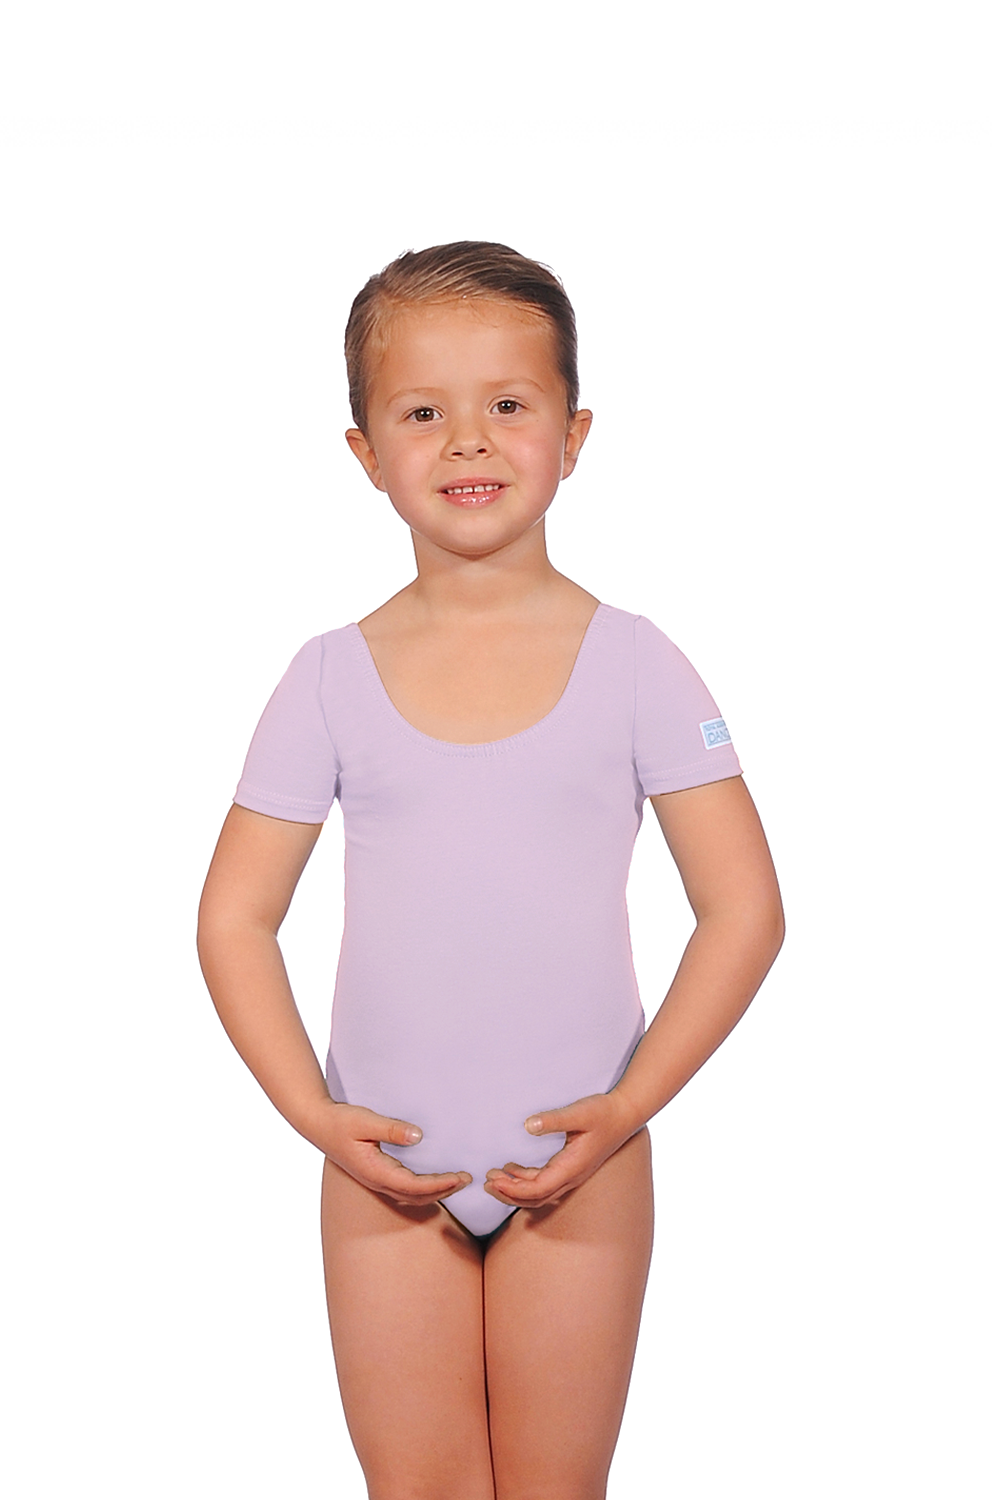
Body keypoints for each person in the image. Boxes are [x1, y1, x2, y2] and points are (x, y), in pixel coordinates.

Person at [197, 241, 785, 1500]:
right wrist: (313, 1116)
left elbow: (743, 909)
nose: (468, 440)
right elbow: (235, 919)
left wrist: (627, 1109)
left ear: (573, 436)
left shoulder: (639, 664)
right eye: (423, 413)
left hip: (582, 1160)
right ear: (365, 453)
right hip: (381, 1169)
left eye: (507, 404)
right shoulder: (325, 677)